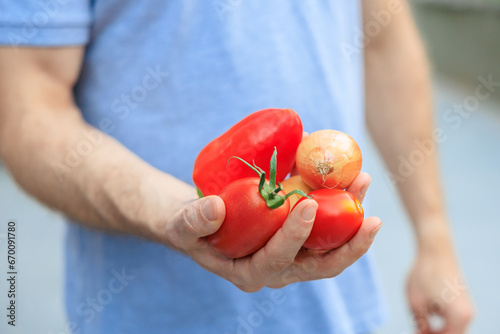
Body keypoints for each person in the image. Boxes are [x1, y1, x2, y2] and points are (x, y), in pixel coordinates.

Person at [0, 0, 473, 333]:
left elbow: (383, 41)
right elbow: (27, 110)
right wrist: (169, 212)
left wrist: (433, 239)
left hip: (337, 315)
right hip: (145, 316)